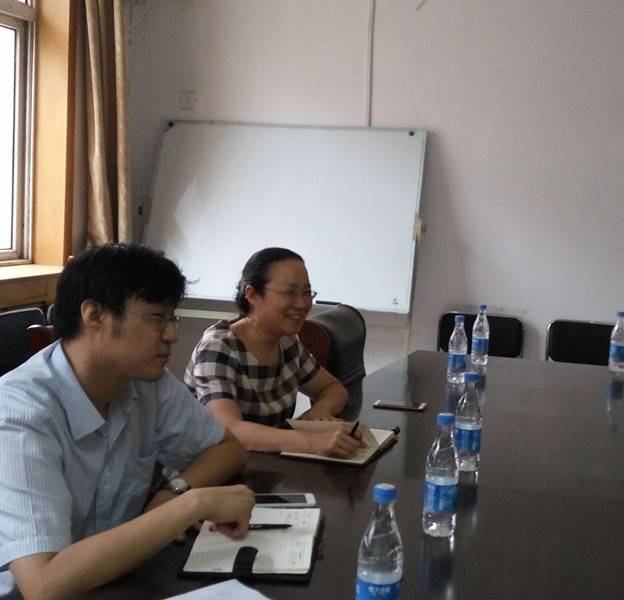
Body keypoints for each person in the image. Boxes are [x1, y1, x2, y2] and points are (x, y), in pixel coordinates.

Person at [0, 244, 254, 600]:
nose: (172, 335)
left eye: (172, 318)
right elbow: (43, 584)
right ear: (95, 315)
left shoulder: (145, 381)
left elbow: (227, 449)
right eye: (156, 317)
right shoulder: (19, 413)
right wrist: (191, 505)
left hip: (116, 580)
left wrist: (172, 493)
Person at [185, 247, 364, 458]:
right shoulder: (218, 348)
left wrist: (320, 411)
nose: (302, 304)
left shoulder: (286, 341)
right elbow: (230, 431)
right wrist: (312, 441)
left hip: (264, 462)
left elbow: (333, 388)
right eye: (290, 293)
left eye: (307, 293)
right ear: (252, 295)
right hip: (213, 467)